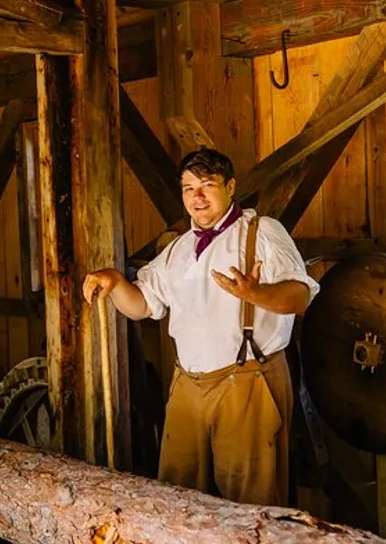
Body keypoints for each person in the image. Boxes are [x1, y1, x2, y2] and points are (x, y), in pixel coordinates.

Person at [83, 147, 319, 506]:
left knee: (250, 508)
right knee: (177, 502)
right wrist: (116, 283)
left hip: (247, 384)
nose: (197, 195)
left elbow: (299, 296)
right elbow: (142, 305)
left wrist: (255, 293)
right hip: (187, 391)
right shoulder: (178, 249)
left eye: (207, 185)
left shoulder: (262, 232)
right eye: (188, 187)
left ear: (230, 187)